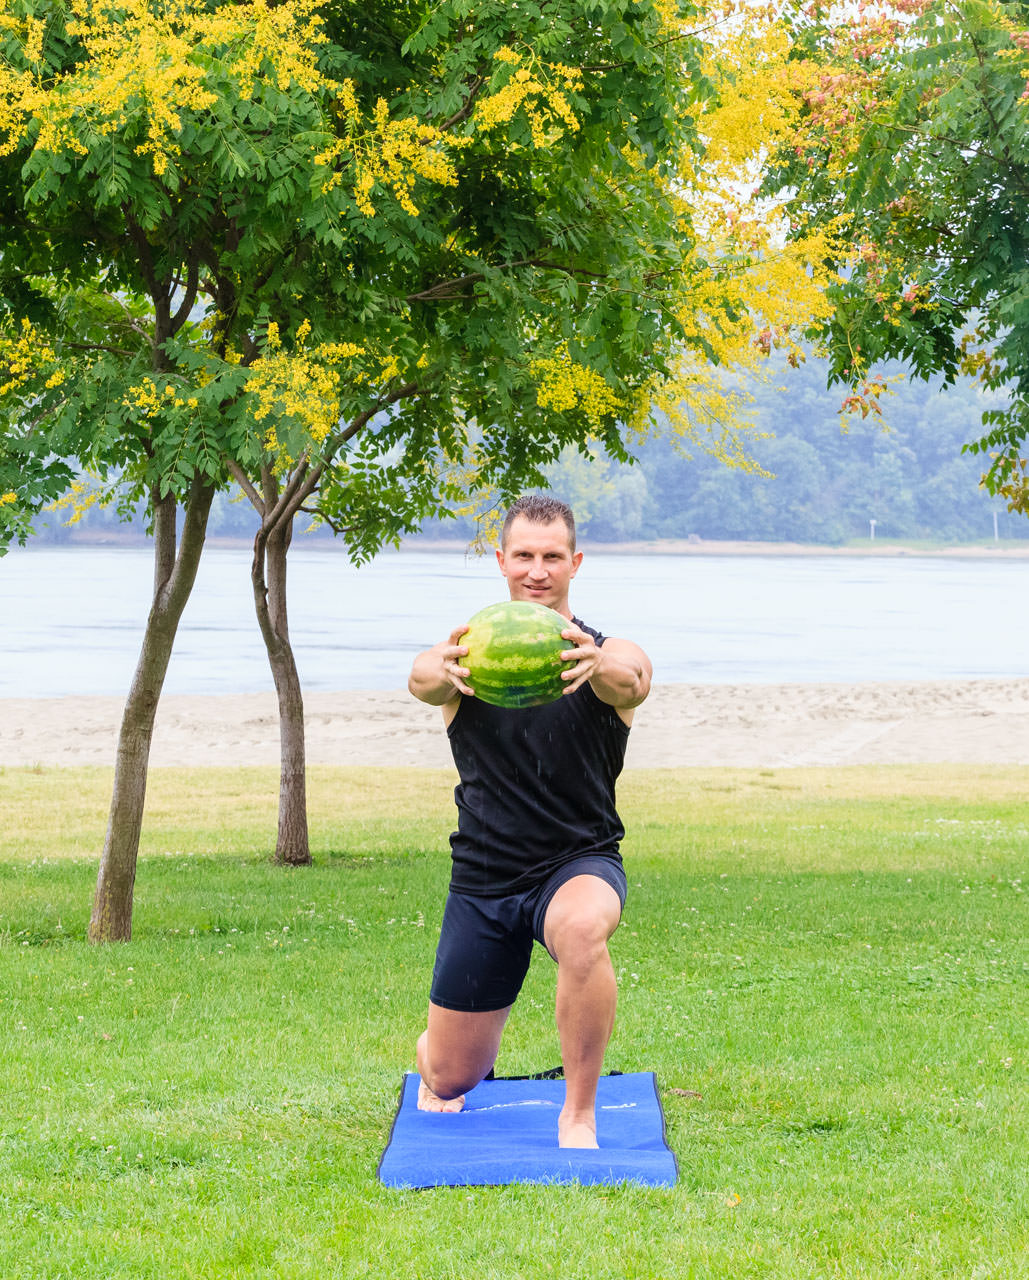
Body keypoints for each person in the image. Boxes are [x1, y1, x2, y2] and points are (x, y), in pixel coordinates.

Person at [407, 494, 652, 1149]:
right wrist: (440, 668)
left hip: (578, 860)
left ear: (574, 563)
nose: (537, 571)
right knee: (453, 1074)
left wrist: (598, 665)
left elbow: (632, 679)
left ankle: (577, 1113)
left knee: (580, 928)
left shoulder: (605, 656)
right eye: (523, 556)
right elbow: (422, 677)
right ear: (501, 561)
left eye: (551, 557)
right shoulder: (464, 656)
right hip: (485, 877)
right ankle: (436, 1055)